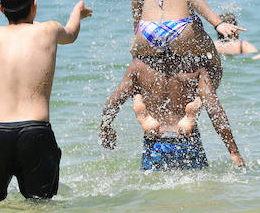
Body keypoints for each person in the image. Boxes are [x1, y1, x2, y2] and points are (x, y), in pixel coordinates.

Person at [0, 0, 92, 202]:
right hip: (35, 133)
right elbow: (71, 34)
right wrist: (77, 12)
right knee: (41, 210)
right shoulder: (49, 29)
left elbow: (23, 28)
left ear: (1, 9)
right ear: (35, 6)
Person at [99, 52, 245, 170]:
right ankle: (194, 108)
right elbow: (214, 108)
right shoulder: (195, 66)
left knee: (155, 194)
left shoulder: (138, 66)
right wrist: (234, 152)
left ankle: (141, 109)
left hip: (155, 141)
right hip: (188, 138)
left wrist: (105, 128)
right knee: (195, 194)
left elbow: (114, 101)